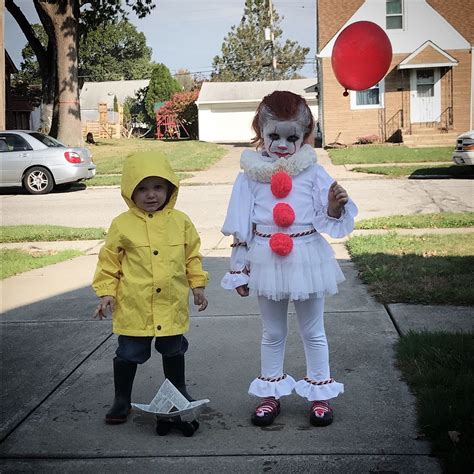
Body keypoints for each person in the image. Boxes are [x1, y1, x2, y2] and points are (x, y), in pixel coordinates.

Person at [221, 91, 358, 428]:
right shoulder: (249, 176)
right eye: (274, 136)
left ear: (305, 134)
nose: (282, 145)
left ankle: (319, 395)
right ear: (260, 133)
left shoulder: (312, 173)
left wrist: (333, 207)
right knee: (272, 331)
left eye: (292, 137)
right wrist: (239, 269)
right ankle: (270, 393)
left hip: (306, 257)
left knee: (313, 331)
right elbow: (243, 227)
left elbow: (326, 221)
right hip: (267, 259)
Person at [92, 152, 208, 425]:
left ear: (170, 188)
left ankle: (178, 390)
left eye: (158, 186)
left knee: (174, 349)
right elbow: (109, 261)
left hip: (170, 303)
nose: (151, 195)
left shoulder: (181, 222)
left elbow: (192, 256)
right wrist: (107, 292)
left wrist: (198, 285)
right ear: (129, 191)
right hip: (136, 306)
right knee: (129, 352)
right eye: (142, 188)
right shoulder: (122, 224)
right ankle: (122, 399)